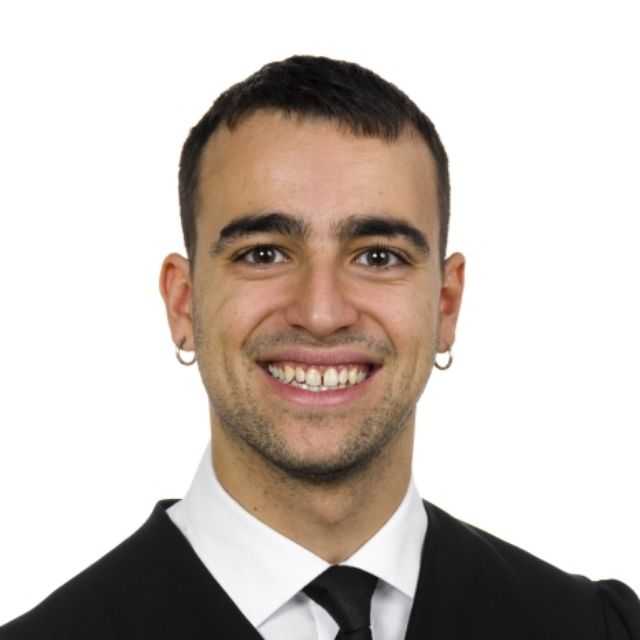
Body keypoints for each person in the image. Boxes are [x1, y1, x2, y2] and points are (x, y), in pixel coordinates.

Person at [1, 54, 638, 640]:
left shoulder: (595, 630)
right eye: (264, 254)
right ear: (183, 303)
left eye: (378, 256)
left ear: (446, 304)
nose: (322, 313)